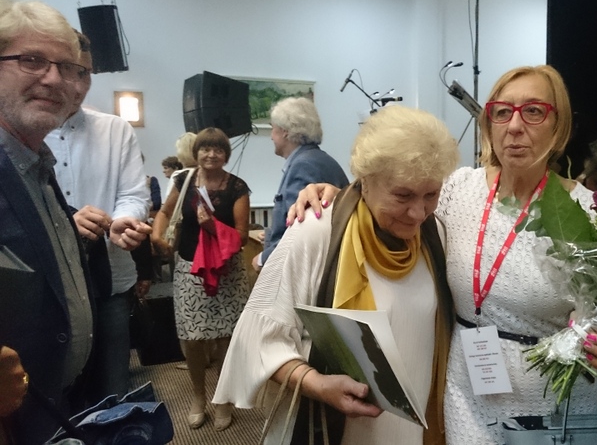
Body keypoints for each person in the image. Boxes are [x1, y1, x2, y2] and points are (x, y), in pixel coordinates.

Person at [287, 66, 597, 444]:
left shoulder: (590, 213)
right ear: (489, 124)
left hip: (553, 398)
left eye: (533, 111)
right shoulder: (457, 189)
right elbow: (395, 189)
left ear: (558, 125)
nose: (515, 126)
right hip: (468, 390)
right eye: (502, 112)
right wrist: (339, 196)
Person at [213, 105, 459, 445]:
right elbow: (257, 339)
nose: (418, 212)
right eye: (403, 195)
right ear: (366, 180)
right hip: (337, 428)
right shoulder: (317, 231)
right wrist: (318, 385)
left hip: (415, 427)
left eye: (431, 194)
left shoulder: (435, 235)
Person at [0, 0, 141, 442]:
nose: (55, 79)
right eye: (31, 60)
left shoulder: (36, 161)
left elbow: (133, 195)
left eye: (69, 68)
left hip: (53, 398)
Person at [46, 30, 150, 406]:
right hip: (49, 288)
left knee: (112, 391)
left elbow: (133, 194)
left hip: (109, 281)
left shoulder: (114, 129)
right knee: (53, 392)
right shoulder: (23, 131)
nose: (77, 85)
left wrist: (123, 219)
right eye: (67, 70)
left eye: (84, 73)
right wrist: (65, 227)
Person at [151, 127, 250, 431]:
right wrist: (156, 235)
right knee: (192, 338)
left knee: (224, 338)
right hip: (189, 266)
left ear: (226, 155)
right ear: (196, 153)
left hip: (226, 270)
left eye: (218, 149)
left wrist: (212, 227)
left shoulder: (237, 187)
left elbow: (242, 236)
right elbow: (164, 212)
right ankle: (198, 396)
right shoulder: (183, 180)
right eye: (205, 148)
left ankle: (223, 399)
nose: (211, 154)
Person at [252, 96, 348, 272]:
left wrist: (262, 259)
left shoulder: (304, 166)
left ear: (285, 132)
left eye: (273, 129)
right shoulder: (318, 159)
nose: (271, 137)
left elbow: (297, 232)